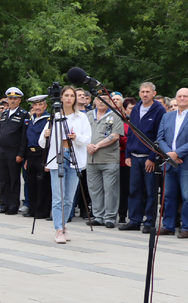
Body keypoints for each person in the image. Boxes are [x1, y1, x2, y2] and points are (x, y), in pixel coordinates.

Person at [39, 86, 91, 244]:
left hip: (74, 157)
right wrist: (46, 135)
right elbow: (42, 143)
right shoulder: (53, 117)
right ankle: (58, 228)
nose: (69, 98)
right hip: (58, 156)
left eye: (72, 95)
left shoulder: (81, 117)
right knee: (58, 196)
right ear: (61, 98)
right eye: (66, 95)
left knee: (69, 197)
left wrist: (76, 137)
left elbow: (87, 139)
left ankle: (64, 224)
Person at [156, 87, 188, 238]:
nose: (182, 98)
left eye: (186, 96)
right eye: (179, 96)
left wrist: (177, 153)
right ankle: (168, 226)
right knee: (169, 195)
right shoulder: (167, 117)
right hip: (169, 162)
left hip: (187, 162)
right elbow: (160, 138)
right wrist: (170, 154)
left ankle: (187, 227)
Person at [122, 82, 166, 233]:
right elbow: (131, 133)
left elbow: (160, 136)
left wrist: (153, 157)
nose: (145, 94)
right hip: (134, 156)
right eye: (142, 91)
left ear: (154, 93)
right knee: (134, 189)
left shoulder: (159, 110)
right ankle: (134, 220)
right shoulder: (135, 109)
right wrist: (128, 153)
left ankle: (149, 221)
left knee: (150, 191)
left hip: (149, 157)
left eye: (148, 91)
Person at [86, 94, 122, 228]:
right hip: (91, 158)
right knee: (94, 189)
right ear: (94, 101)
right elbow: (82, 133)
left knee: (110, 189)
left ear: (110, 102)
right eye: (99, 99)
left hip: (109, 158)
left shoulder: (115, 115)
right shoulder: (88, 115)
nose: (101, 102)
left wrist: (98, 145)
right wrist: (87, 144)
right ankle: (98, 216)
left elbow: (115, 135)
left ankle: (110, 217)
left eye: (105, 100)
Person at [0, 88, 28, 215]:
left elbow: (24, 137)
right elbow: (0, 134)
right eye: (10, 99)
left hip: (14, 152)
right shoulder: (4, 114)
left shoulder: (23, 114)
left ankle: (13, 205)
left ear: (19, 100)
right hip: (2, 151)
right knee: (3, 179)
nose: (12, 101)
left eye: (15, 99)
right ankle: (5, 203)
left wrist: (21, 154)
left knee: (14, 179)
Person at [23, 94, 51, 219]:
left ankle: (43, 210)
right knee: (31, 182)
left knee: (43, 183)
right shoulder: (31, 119)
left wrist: (48, 160)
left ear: (45, 106)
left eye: (40, 105)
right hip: (31, 153)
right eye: (35, 105)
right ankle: (33, 209)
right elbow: (28, 138)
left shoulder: (49, 119)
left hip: (43, 153)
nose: (38, 107)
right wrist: (27, 158)